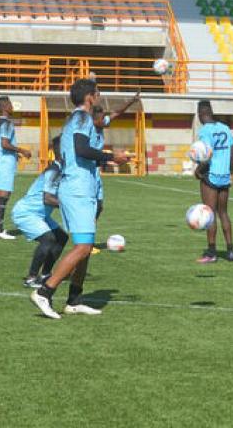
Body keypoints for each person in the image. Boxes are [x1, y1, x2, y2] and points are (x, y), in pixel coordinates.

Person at [29, 79, 132, 319]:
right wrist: (111, 157)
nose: (99, 96)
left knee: (84, 246)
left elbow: (82, 153)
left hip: (80, 188)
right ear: (89, 97)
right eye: (97, 93)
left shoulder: (78, 119)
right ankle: (44, 291)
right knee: (84, 248)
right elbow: (81, 149)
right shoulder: (82, 118)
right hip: (77, 190)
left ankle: (74, 300)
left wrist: (109, 159)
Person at [90, 93, 140, 252]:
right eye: (101, 118)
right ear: (94, 120)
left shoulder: (100, 123)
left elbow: (116, 113)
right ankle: (86, 244)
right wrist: (111, 159)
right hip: (87, 174)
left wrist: (131, 101)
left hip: (96, 173)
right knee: (91, 209)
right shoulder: (88, 133)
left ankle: (88, 242)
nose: (105, 121)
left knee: (99, 207)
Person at [16, 136, 67, 288]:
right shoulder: (54, 171)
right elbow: (48, 199)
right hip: (26, 213)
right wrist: (69, 206)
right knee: (48, 239)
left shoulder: (62, 169)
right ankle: (31, 278)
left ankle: (45, 274)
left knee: (61, 237)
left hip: (40, 214)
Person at [195, 101, 233, 263]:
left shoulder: (205, 131)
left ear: (200, 114)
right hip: (224, 175)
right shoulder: (225, 128)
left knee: (209, 214)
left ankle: (211, 253)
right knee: (223, 213)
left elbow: (206, 155)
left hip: (211, 175)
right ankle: (230, 251)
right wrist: (231, 172)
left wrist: (198, 170)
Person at [0, 95, 31, 240]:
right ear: (5, 107)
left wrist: (13, 153)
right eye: (10, 104)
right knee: (3, 196)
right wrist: (22, 150)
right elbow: (5, 143)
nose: (12, 106)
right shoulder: (7, 123)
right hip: (5, 163)